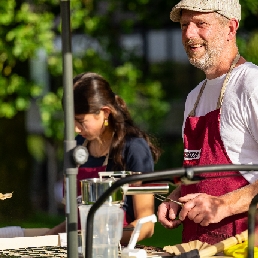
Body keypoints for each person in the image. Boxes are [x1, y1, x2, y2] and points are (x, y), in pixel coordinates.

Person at [157, 0, 258, 245]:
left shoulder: (251, 84)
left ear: (231, 28)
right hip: (196, 246)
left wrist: (222, 205)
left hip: (243, 246)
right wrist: (178, 195)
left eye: (201, 23)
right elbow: (200, 177)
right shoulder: (194, 97)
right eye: (184, 25)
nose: (189, 34)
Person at [47, 72, 161, 244]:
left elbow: (146, 224)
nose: (76, 129)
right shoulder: (77, 146)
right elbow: (76, 224)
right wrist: (45, 238)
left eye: (80, 121)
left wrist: (100, 243)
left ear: (105, 113)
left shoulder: (134, 149)